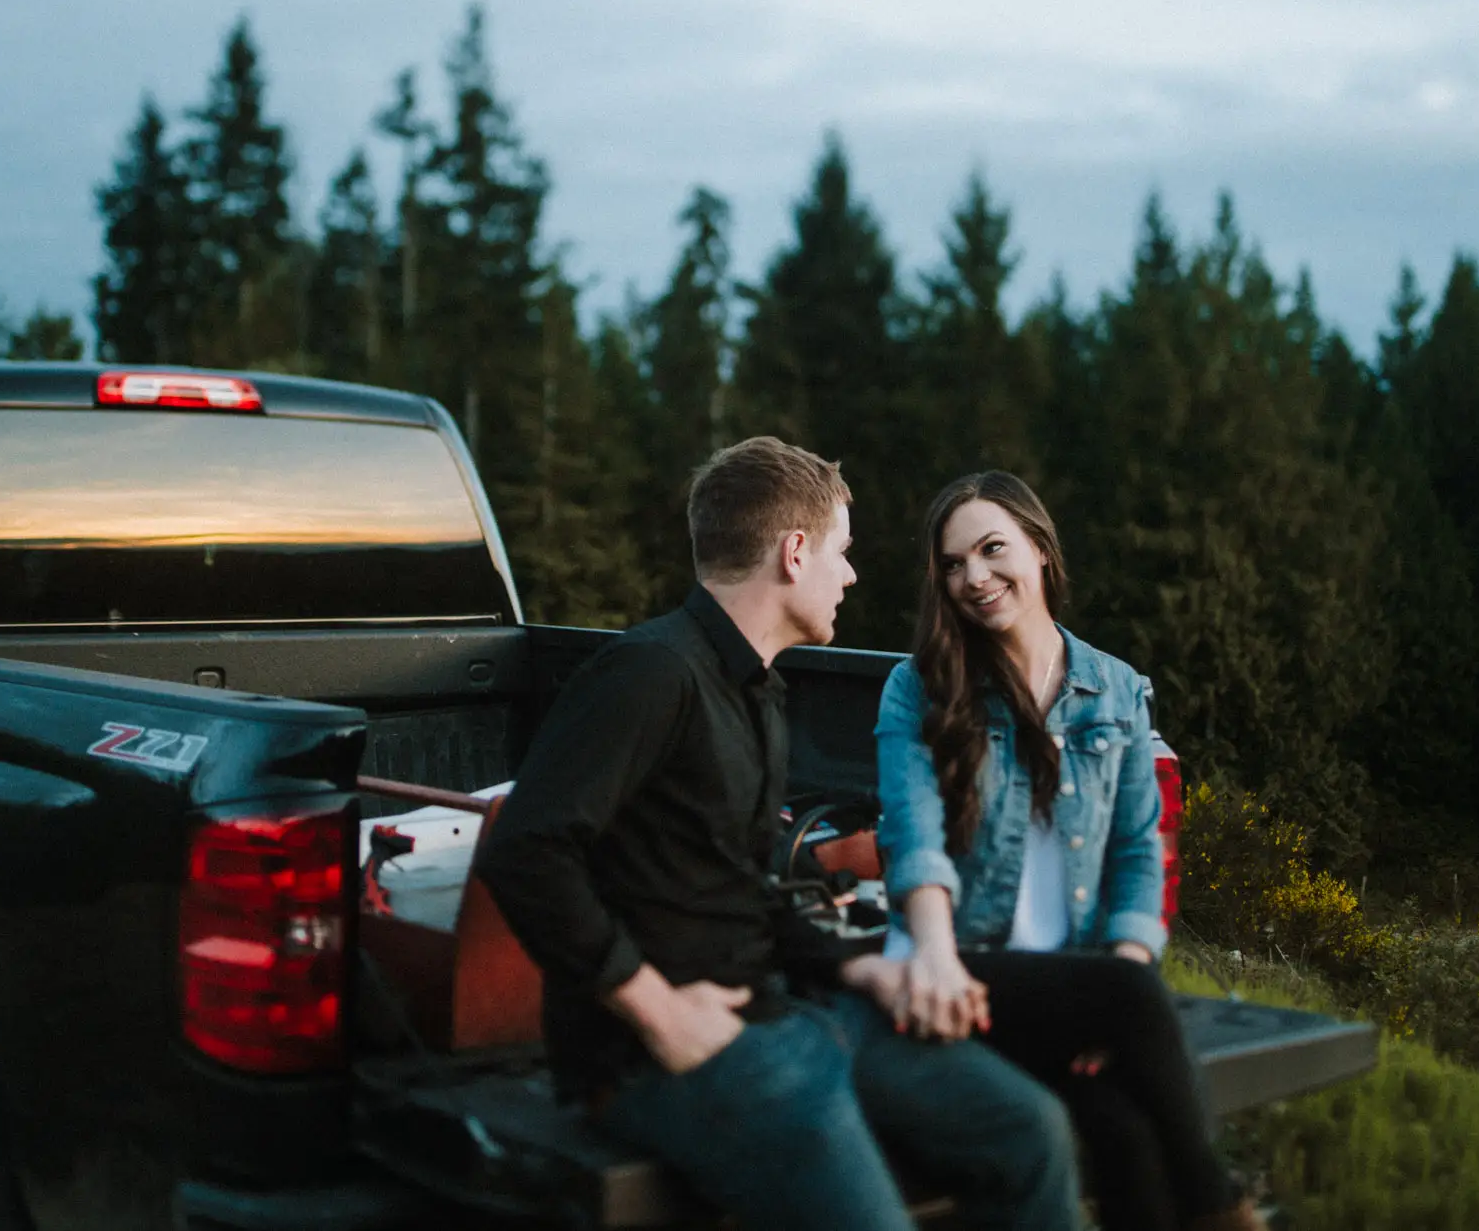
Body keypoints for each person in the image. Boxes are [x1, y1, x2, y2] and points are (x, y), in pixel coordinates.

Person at [475, 438, 1084, 1231]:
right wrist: (656, 1008)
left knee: (1027, 1130)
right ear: (795, 553)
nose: (851, 575)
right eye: (843, 552)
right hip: (660, 1054)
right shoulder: (650, 673)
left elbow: (742, 885)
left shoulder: (758, 690)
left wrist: (860, 970)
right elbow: (526, 848)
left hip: (786, 1009)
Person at [875, 470, 1263, 1231]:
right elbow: (912, 833)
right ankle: (1224, 1208)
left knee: (1123, 1132)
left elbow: (1136, 856)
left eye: (992, 550)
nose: (973, 578)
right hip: (958, 969)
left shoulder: (1116, 689)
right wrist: (934, 954)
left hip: (1076, 986)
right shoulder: (918, 687)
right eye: (952, 564)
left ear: (1041, 550)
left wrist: (1111, 992)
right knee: (1130, 1000)